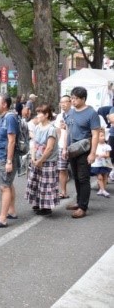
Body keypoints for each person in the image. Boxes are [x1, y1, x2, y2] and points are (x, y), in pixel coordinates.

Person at [64, 86, 100, 219]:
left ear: (83, 99)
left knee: (84, 178)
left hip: (84, 150)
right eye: (71, 98)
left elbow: (95, 135)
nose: (72, 101)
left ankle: (83, 207)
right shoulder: (71, 112)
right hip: (72, 149)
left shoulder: (91, 113)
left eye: (75, 98)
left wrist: (93, 153)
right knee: (76, 177)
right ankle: (79, 202)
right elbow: (67, 130)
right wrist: (64, 148)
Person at [0, 93, 19, 228]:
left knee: (4, 187)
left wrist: (9, 161)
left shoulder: (10, 117)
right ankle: (11, 211)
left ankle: (2, 218)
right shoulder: (2, 117)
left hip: (5, 158)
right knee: (9, 184)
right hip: (0, 156)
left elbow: (12, 141)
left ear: (4, 104)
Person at [26, 105, 59, 216]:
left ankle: (46, 207)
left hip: (48, 161)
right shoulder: (37, 126)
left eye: (40, 113)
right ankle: (37, 203)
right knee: (35, 182)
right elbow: (34, 143)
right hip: (37, 159)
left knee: (46, 184)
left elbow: (49, 148)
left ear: (46, 115)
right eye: (38, 113)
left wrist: (41, 160)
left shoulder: (51, 129)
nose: (38, 116)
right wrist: (33, 157)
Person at [54, 95, 71, 199]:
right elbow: (58, 131)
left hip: (73, 145)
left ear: (70, 102)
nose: (63, 104)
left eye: (65, 102)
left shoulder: (74, 114)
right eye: (61, 102)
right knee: (61, 169)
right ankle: (63, 191)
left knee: (76, 170)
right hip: (61, 145)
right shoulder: (60, 116)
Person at [90, 128, 111, 198]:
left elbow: (108, 155)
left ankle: (102, 189)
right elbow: (93, 154)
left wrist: (103, 155)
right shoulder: (94, 146)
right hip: (96, 164)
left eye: (103, 136)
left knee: (105, 177)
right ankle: (103, 190)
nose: (103, 137)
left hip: (105, 163)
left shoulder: (107, 146)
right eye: (100, 136)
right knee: (100, 177)